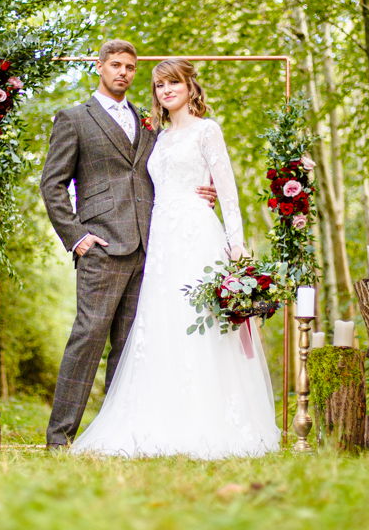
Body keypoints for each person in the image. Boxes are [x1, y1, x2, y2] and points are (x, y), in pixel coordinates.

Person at [70, 58, 280, 458]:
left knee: (200, 323)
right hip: (160, 240)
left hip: (197, 233)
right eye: (159, 85)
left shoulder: (208, 131)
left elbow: (227, 189)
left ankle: (210, 419)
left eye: (173, 83)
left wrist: (235, 242)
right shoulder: (158, 137)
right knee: (161, 323)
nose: (166, 91)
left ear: (189, 87)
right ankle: (160, 417)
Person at [39, 41, 217, 449]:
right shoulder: (73, 118)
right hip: (102, 246)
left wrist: (197, 193)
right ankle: (59, 436)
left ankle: (116, 434)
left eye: (131, 67)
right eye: (116, 65)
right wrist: (77, 236)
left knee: (131, 346)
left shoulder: (149, 120)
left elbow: (168, 167)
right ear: (99, 67)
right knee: (88, 339)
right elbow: (52, 184)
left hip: (152, 248)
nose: (123, 72)